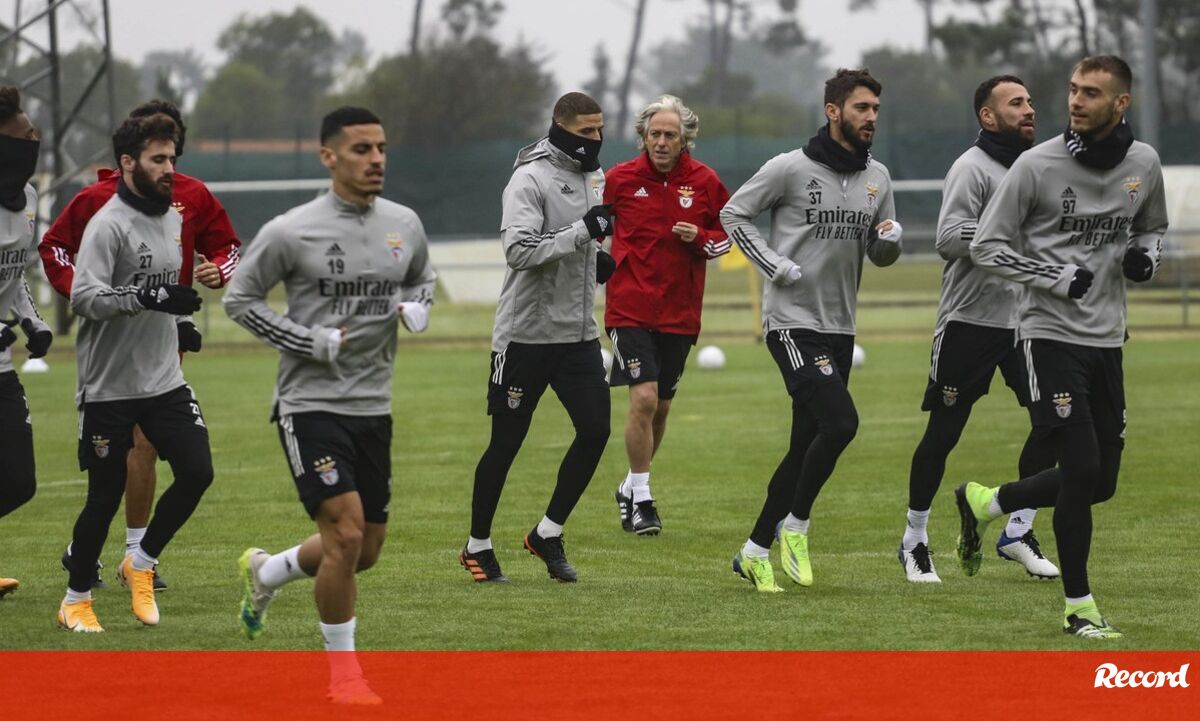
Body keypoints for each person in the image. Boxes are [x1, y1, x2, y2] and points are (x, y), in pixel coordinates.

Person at [225, 106, 435, 704]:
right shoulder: (291, 230)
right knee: (344, 535)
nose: (376, 160)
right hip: (309, 402)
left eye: (381, 148)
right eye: (362, 149)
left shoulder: (404, 223)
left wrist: (418, 306)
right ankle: (345, 679)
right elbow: (240, 299)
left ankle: (268, 571)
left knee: (364, 550)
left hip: (374, 403)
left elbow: (422, 277)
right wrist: (307, 341)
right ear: (329, 157)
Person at [964, 55, 1167, 638]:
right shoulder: (1036, 165)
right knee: (1080, 469)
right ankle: (1080, 608)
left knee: (1102, 483)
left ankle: (988, 502)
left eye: (1091, 93)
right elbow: (985, 245)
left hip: (1108, 340)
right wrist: (1053, 276)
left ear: (1121, 103)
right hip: (1047, 334)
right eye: (1074, 89)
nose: (1076, 100)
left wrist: (1145, 256)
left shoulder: (1144, 163)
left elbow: (1152, 226)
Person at [41, 100, 241, 592]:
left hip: (162, 344)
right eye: (158, 155)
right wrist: (88, 293)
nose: (168, 166)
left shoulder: (190, 197)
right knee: (113, 473)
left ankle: (136, 555)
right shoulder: (99, 203)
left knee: (159, 451)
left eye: (172, 154)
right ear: (132, 156)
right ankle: (87, 563)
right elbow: (56, 249)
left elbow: (228, 247)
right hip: (111, 351)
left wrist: (216, 273)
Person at [721, 69, 902, 592]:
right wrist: (774, 265)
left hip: (840, 326)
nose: (871, 117)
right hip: (791, 322)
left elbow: (880, 255)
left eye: (875, 109)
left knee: (805, 444)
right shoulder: (789, 168)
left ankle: (754, 551)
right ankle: (795, 527)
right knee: (841, 424)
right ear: (833, 111)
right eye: (862, 108)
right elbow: (733, 215)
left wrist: (889, 240)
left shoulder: (878, 177)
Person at [898, 76, 1059, 583]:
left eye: (1030, 101)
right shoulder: (971, 167)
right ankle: (914, 539)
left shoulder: (1040, 167)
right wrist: (1005, 231)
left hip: (1029, 322)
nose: (1029, 109)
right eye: (1016, 103)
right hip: (970, 320)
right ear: (988, 116)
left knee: (1055, 421)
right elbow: (948, 238)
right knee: (944, 433)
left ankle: (1018, 530)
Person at [459, 92, 611, 584]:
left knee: (595, 431)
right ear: (561, 128)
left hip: (578, 335)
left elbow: (583, 240)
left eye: (600, 129)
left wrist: (597, 261)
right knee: (506, 443)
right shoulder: (529, 178)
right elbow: (519, 252)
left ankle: (547, 533)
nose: (596, 139)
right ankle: (477, 545)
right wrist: (583, 234)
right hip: (525, 337)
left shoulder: (595, 176)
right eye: (586, 131)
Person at [603, 94, 730, 536]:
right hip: (629, 308)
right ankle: (643, 500)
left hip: (680, 312)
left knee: (661, 407)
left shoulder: (705, 182)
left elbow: (726, 237)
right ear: (643, 136)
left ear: (684, 139)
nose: (660, 142)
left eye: (669, 135)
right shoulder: (619, 179)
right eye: (654, 134)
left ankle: (630, 485)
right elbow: (594, 226)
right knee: (643, 399)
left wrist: (700, 238)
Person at [0, 86, 54, 599]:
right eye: (23, 137)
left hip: (1, 366)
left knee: (19, 481)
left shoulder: (31, 199)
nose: (32, 144)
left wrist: (34, 323)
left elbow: (13, 276)